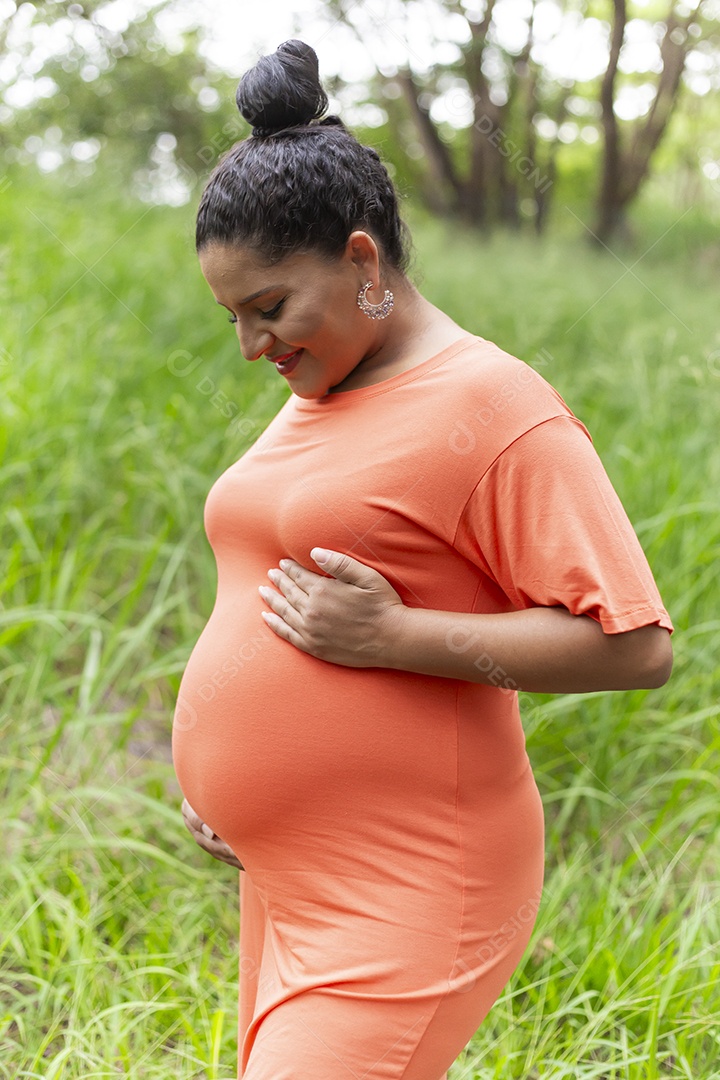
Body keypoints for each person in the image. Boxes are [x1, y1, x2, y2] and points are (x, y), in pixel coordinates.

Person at [171, 39, 673, 1080]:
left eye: (271, 308)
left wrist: (394, 636)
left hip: (408, 885)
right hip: (286, 880)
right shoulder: (325, 384)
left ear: (363, 262)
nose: (252, 347)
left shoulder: (493, 404)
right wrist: (227, 780)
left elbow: (634, 646)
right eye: (233, 318)